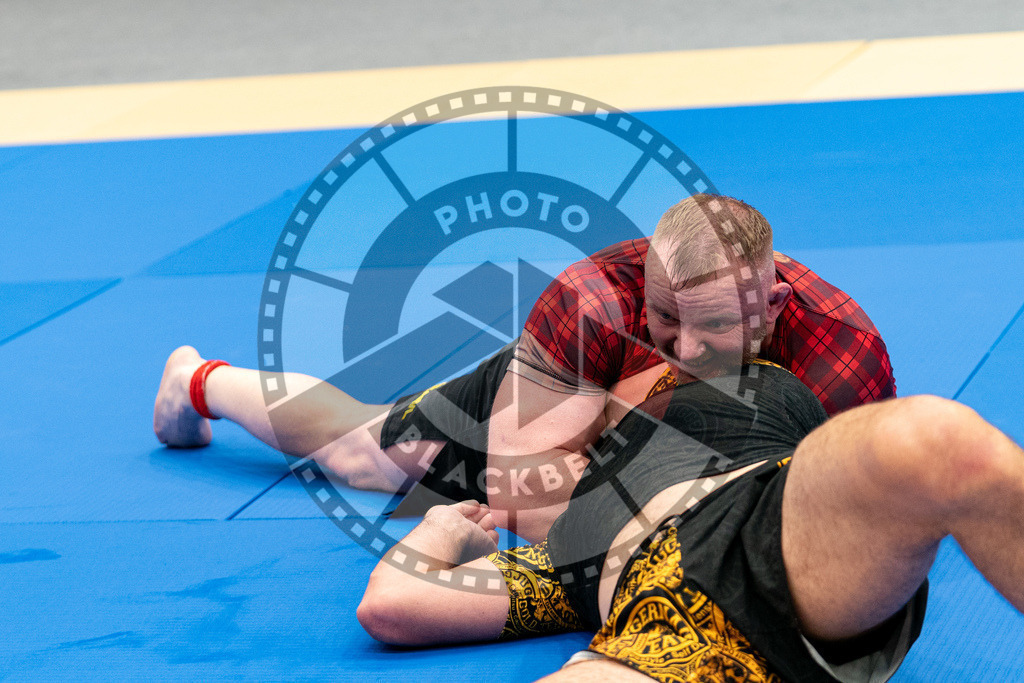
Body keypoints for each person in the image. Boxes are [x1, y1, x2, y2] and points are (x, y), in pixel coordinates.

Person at [154, 194, 894, 541]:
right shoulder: (592, 301)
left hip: (685, 441)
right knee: (368, 456)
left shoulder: (842, 354)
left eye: (719, 327)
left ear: (775, 299)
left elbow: (841, 519)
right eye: (668, 319)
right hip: (573, 391)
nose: (687, 348)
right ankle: (199, 381)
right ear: (646, 285)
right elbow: (517, 488)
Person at [356, 362, 1024, 682]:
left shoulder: (732, 389)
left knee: (936, 443)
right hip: (675, 633)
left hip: (770, 526)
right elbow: (392, 605)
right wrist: (441, 527)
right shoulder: (564, 559)